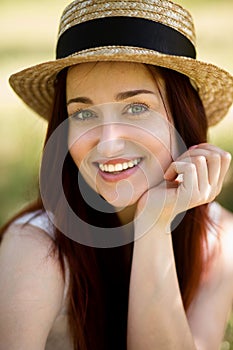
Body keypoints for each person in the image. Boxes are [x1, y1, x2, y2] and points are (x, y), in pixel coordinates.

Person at [1, 0, 233, 349]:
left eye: (136, 107)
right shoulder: (34, 249)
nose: (107, 146)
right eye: (82, 114)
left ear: (181, 120)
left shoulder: (218, 241)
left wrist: (153, 221)